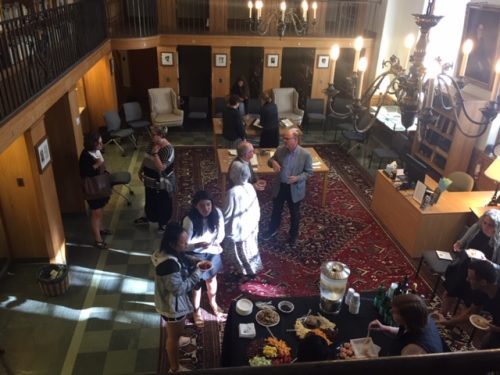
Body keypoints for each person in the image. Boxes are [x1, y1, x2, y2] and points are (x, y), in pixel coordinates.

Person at [151, 222, 209, 373]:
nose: (186, 245)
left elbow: (182, 253)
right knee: (172, 338)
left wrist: (192, 259)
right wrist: (199, 271)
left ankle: (177, 336)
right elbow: (179, 289)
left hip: (167, 302)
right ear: (173, 243)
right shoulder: (169, 266)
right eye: (183, 242)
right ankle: (175, 368)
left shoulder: (164, 250)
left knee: (176, 331)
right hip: (172, 307)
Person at [440, 209, 500, 315]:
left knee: (468, 303)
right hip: (464, 266)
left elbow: (498, 266)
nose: (485, 227)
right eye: (484, 223)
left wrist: (488, 262)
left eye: (490, 225)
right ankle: (441, 315)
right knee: (450, 292)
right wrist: (457, 245)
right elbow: (461, 243)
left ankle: (454, 325)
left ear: (497, 227)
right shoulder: (476, 228)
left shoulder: (498, 243)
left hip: (479, 276)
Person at [182, 190, 226, 327]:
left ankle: (213, 303)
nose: (206, 209)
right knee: (197, 283)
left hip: (212, 250)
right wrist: (197, 245)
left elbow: (221, 235)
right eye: (202, 205)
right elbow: (183, 245)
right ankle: (196, 310)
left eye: (208, 204)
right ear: (195, 206)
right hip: (194, 254)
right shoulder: (189, 220)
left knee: (212, 278)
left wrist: (212, 243)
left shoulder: (217, 213)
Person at [262, 128, 312, 245]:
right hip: (281, 186)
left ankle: (293, 236)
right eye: (284, 138)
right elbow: (271, 160)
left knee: (294, 214)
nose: (284, 140)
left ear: (295, 140)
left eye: (287, 138)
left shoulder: (305, 154)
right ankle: (272, 230)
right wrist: (273, 162)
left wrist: (297, 178)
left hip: (294, 189)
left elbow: (309, 172)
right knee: (276, 210)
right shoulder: (280, 150)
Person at [438, 259, 500, 349]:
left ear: (483, 282)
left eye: (470, 278)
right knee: (485, 347)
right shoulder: (480, 290)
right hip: (495, 327)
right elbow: (472, 313)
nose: (467, 280)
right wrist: (448, 322)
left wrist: (495, 329)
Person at [368, 293, 443, 355]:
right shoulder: (422, 319)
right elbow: (406, 333)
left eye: (395, 312)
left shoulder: (413, 349)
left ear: (406, 317)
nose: (390, 311)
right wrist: (385, 328)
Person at [223, 163, 262, 278]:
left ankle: (243, 271)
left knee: (239, 254)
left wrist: (219, 224)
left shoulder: (233, 192)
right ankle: (251, 271)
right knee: (249, 252)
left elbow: (227, 213)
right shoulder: (250, 186)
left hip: (239, 230)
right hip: (250, 226)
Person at [134, 126, 175, 232]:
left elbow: (161, 168)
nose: (151, 136)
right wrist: (140, 170)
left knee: (163, 202)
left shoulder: (168, 149)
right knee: (150, 199)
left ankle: (163, 223)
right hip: (150, 179)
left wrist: (155, 153)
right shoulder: (152, 143)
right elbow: (146, 157)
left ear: (161, 135)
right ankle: (149, 216)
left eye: (153, 135)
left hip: (162, 182)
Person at [78, 132, 111, 249]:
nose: (101, 144)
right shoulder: (85, 156)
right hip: (92, 188)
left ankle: (101, 228)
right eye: (99, 142)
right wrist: (97, 165)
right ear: (92, 143)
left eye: (101, 142)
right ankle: (98, 240)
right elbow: (85, 173)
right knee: (96, 213)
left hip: (101, 186)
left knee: (101, 209)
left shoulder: (97, 151)